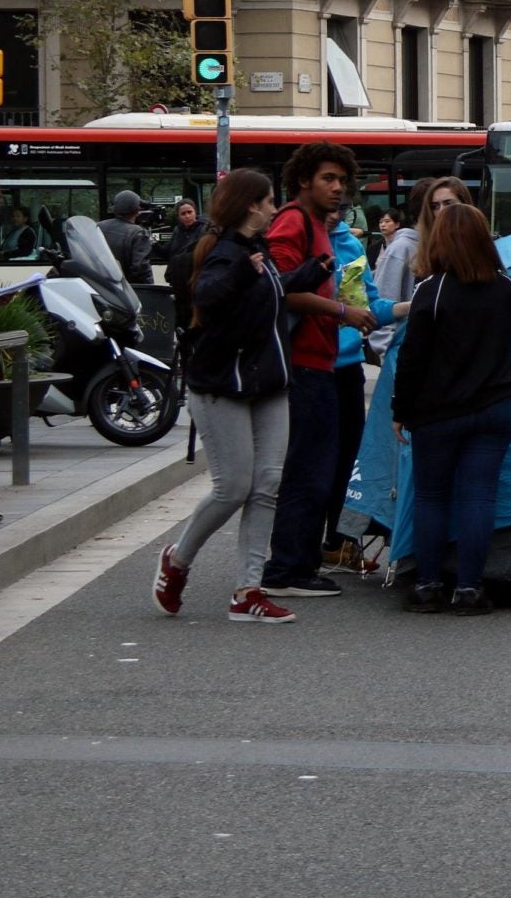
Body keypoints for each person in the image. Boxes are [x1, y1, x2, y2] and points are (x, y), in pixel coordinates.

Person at [152, 168, 322, 625]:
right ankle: (178, 559)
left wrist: (309, 271)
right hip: (222, 386)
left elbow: (270, 297)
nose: (274, 209)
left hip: (267, 384)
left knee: (266, 486)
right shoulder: (227, 253)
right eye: (269, 202)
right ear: (251, 206)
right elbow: (209, 296)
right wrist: (248, 277)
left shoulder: (254, 250)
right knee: (232, 488)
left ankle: (249, 590)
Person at [390, 203, 511, 616]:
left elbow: (411, 358)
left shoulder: (430, 291)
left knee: (432, 496)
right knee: (478, 496)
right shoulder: (502, 286)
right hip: (495, 407)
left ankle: (428, 585)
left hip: (437, 412)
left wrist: (400, 409)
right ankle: (469, 590)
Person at [257, 142, 376, 601]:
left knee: (320, 468)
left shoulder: (314, 225)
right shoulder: (293, 221)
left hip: (319, 360)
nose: (338, 188)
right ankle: (287, 568)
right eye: (328, 178)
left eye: (342, 181)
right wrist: (342, 311)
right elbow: (281, 290)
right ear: (304, 179)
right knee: (309, 469)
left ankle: (299, 563)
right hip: (303, 363)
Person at [319, 206, 398, 567]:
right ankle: (297, 551)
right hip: (304, 369)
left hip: (346, 367)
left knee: (348, 461)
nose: (334, 210)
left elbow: (370, 307)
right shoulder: (291, 239)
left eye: (341, 201)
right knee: (308, 464)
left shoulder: (349, 247)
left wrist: (408, 307)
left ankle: (337, 543)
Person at [368, 177, 470, 363]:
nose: (442, 212)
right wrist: (392, 357)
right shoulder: (402, 248)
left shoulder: (463, 247)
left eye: (448, 203)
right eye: (435, 206)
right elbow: (382, 304)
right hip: (413, 358)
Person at [154, 197, 205, 331]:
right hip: (178, 282)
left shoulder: (204, 229)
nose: (187, 216)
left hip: (195, 281)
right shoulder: (178, 231)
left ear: (195, 212)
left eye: (190, 212)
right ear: (179, 217)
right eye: (183, 214)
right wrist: (153, 244)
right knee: (181, 320)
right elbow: (167, 252)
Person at [99, 190, 157, 285]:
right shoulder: (138, 233)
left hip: (101, 287)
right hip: (126, 292)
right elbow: (140, 270)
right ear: (138, 210)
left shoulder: (99, 226)